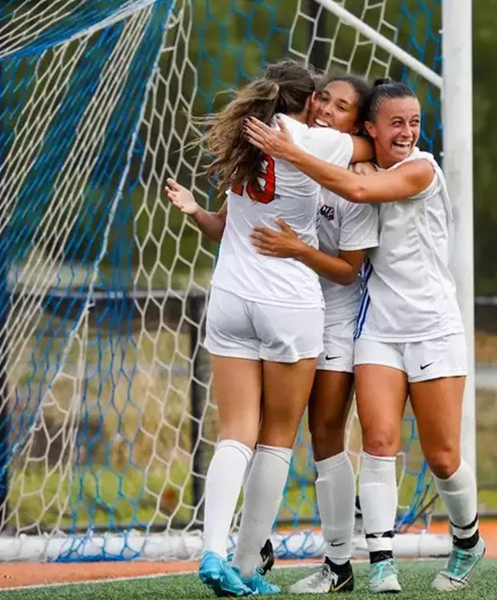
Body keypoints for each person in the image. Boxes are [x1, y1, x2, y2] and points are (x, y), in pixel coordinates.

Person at [244, 79, 485, 593]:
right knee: (377, 442)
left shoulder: (421, 169)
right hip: (376, 326)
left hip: (433, 326)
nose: (408, 132)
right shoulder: (358, 165)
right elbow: (346, 183)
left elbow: (355, 190)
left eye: (414, 122)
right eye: (396, 122)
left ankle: (468, 540)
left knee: (443, 457)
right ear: (371, 129)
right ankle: (380, 561)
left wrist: (291, 149)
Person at [165, 60, 371, 597]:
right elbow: (371, 150)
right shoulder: (314, 141)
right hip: (289, 302)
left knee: (235, 432)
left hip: (229, 298)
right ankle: (246, 569)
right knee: (276, 440)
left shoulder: (242, 138)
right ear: (307, 102)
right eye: (321, 100)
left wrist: (191, 207)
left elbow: (230, 223)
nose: (327, 110)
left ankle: (211, 550)